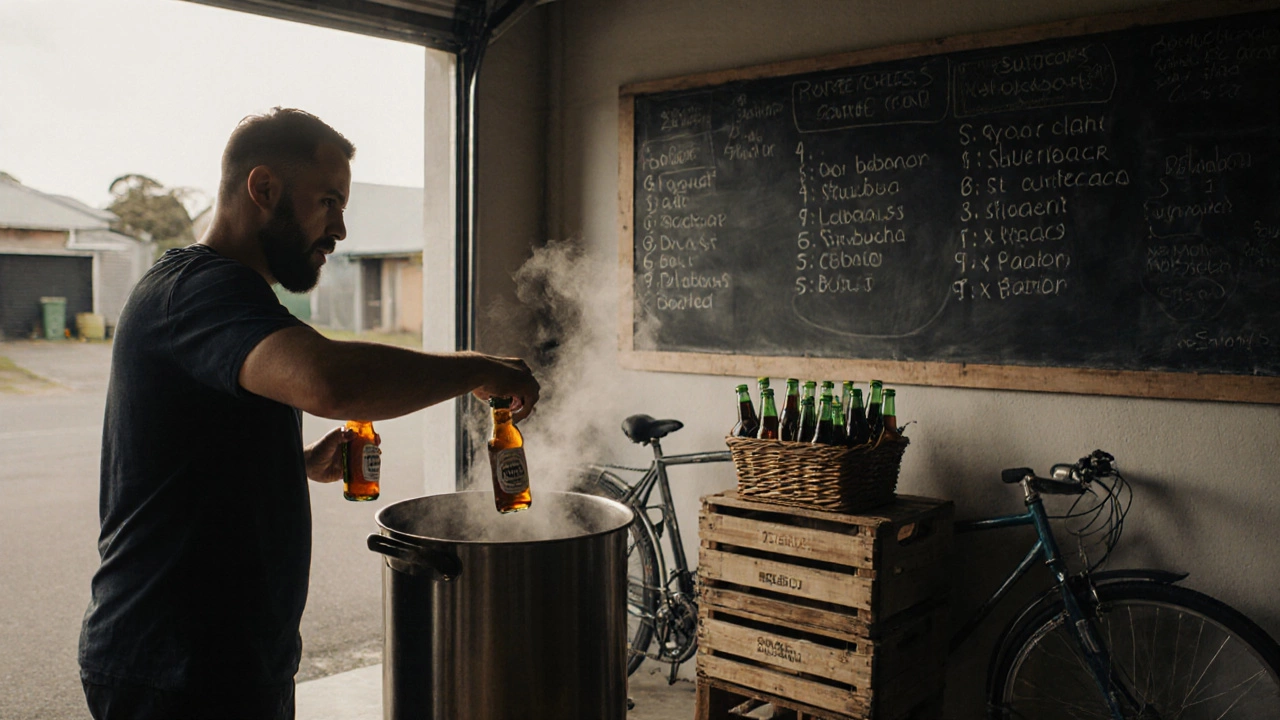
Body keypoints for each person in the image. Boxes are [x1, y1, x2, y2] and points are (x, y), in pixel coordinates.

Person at [78, 107, 540, 720]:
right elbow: (330, 381)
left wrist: (290, 463)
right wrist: (480, 368)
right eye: (328, 201)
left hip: (230, 660)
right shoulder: (198, 290)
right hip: (177, 666)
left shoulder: (224, 297)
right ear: (263, 189)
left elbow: (184, 457)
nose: (340, 229)